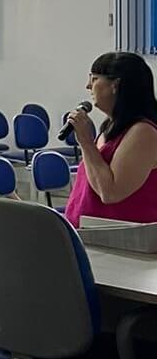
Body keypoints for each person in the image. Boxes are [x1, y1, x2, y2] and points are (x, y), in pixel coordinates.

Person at [65, 51, 157, 227]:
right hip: (89, 232)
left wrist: (85, 142)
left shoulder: (143, 132)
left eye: (94, 79)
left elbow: (111, 192)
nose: (87, 86)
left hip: (123, 241)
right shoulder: (110, 127)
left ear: (115, 84)